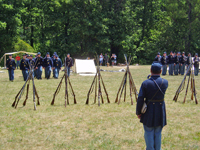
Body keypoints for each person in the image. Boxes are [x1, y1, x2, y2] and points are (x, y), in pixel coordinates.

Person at [136, 62, 168, 150]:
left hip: (149, 110)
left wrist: (138, 112)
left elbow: (140, 99)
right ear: (161, 71)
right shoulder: (165, 82)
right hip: (160, 110)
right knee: (158, 132)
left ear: (150, 71)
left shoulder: (146, 83)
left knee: (149, 132)